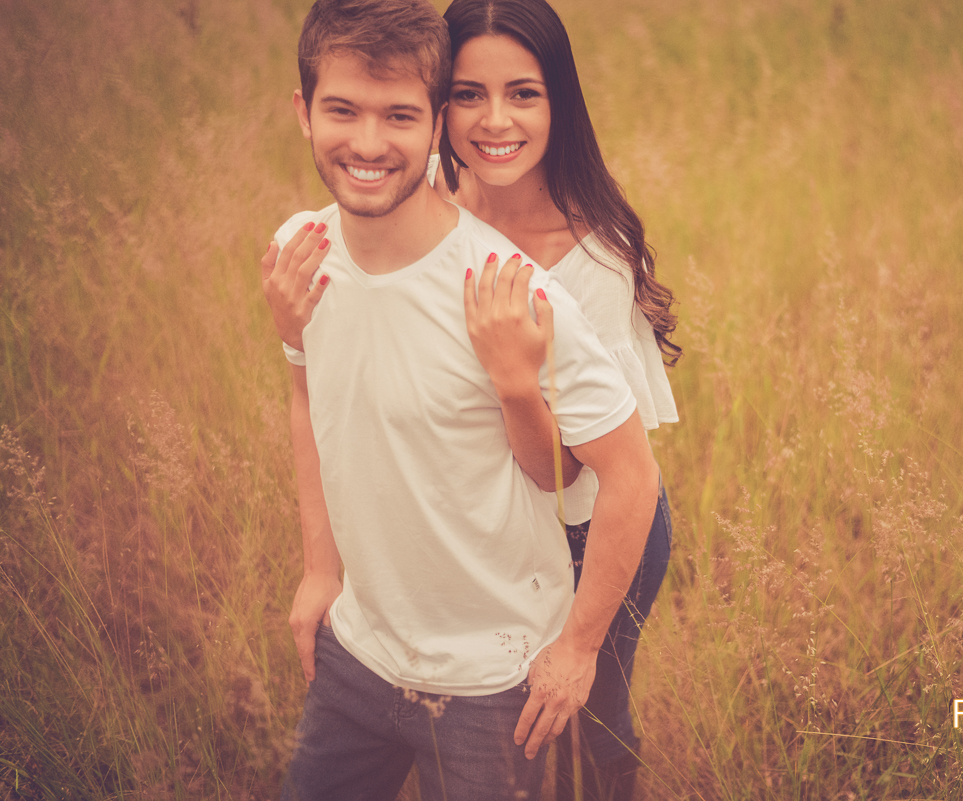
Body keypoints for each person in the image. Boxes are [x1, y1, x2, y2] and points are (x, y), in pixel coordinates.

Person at [264, 2, 682, 798]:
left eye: (523, 94)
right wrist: (322, 567)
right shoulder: (366, 219)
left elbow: (572, 471)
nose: (494, 121)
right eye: (468, 94)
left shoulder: (575, 269)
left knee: (590, 717)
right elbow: (324, 382)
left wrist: (516, 379)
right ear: (443, 110)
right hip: (447, 572)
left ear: (558, 103)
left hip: (584, 516)